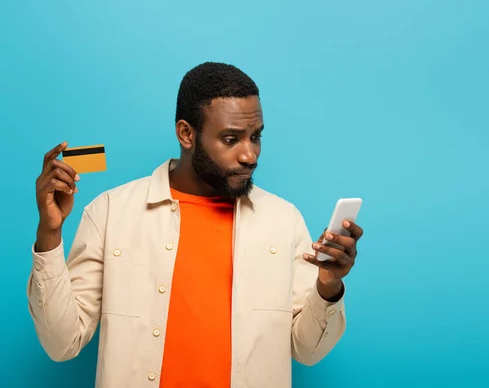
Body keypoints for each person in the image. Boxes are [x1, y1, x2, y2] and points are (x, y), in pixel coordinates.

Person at [27, 62, 364, 388]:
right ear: (186, 134)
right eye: (231, 139)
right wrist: (49, 233)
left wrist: (328, 284)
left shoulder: (283, 220)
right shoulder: (111, 212)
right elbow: (62, 343)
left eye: (256, 137)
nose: (250, 155)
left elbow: (308, 351)